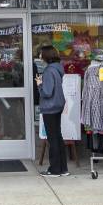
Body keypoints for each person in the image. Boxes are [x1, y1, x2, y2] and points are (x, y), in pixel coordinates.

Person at [36, 45, 68, 177]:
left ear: (46, 55)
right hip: (58, 106)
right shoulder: (58, 68)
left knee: (52, 138)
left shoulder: (49, 71)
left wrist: (39, 84)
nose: (39, 56)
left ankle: (54, 169)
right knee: (58, 137)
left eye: (40, 54)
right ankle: (63, 168)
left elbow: (47, 92)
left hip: (50, 107)